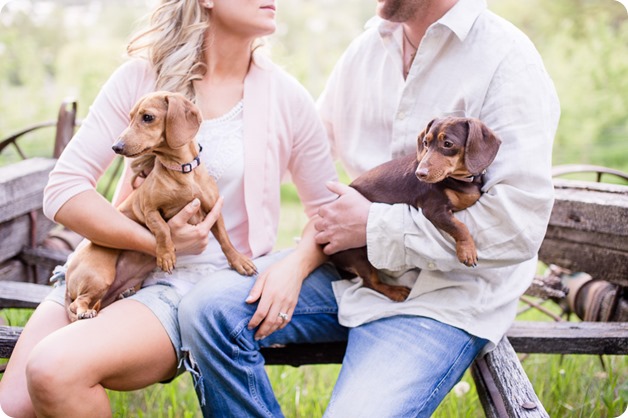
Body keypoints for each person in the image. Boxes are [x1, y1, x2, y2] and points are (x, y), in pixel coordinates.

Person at [178, 0, 560, 416]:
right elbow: (306, 155)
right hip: (354, 276)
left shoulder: (506, 58)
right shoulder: (365, 50)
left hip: (442, 298)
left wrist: (373, 226)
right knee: (208, 311)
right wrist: (300, 258)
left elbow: (517, 228)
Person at [0, 0, 339, 416]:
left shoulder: (287, 97)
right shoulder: (141, 78)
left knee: (53, 370)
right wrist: (151, 241)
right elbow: (64, 190)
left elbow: (328, 213)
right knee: (11, 407)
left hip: (189, 288)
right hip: (105, 263)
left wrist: (292, 267)